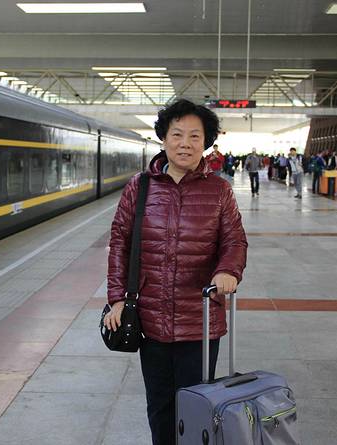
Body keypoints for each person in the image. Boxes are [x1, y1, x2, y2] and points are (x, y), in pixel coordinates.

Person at [104, 99, 247, 445]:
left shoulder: (219, 191)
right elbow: (120, 243)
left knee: (197, 407)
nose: (186, 143)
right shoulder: (139, 187)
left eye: (195, 136)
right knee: (160, 406)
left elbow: (234, 240)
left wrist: (228, 271)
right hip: (150, 318)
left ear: (206, 142)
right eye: (177, 134)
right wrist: (117, 298)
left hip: (200, 319)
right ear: (164, 139)